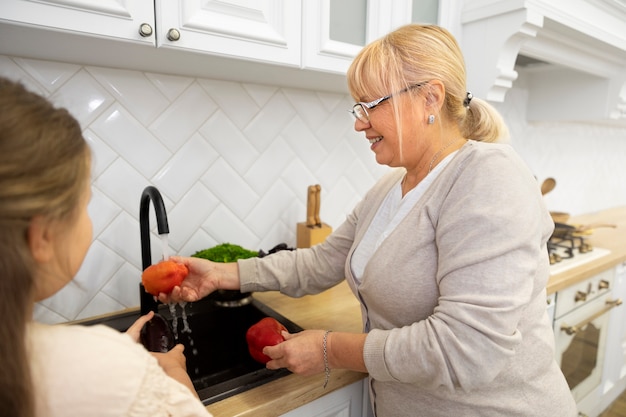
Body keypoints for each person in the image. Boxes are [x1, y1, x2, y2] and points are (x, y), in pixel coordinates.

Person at [162, 24, 577, 416]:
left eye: (371, 106)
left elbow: (467, 350)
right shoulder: (390, 188)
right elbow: (319, 263)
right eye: (357, 107)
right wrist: (221, 275)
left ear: (430, 98)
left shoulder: (488, 176)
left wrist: (329, 349)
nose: (360, 122)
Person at [0, 77, 212, 417]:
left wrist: (116, 354)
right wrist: (174, 372)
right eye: (85, 204)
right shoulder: (102, 366)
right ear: (41, 237)